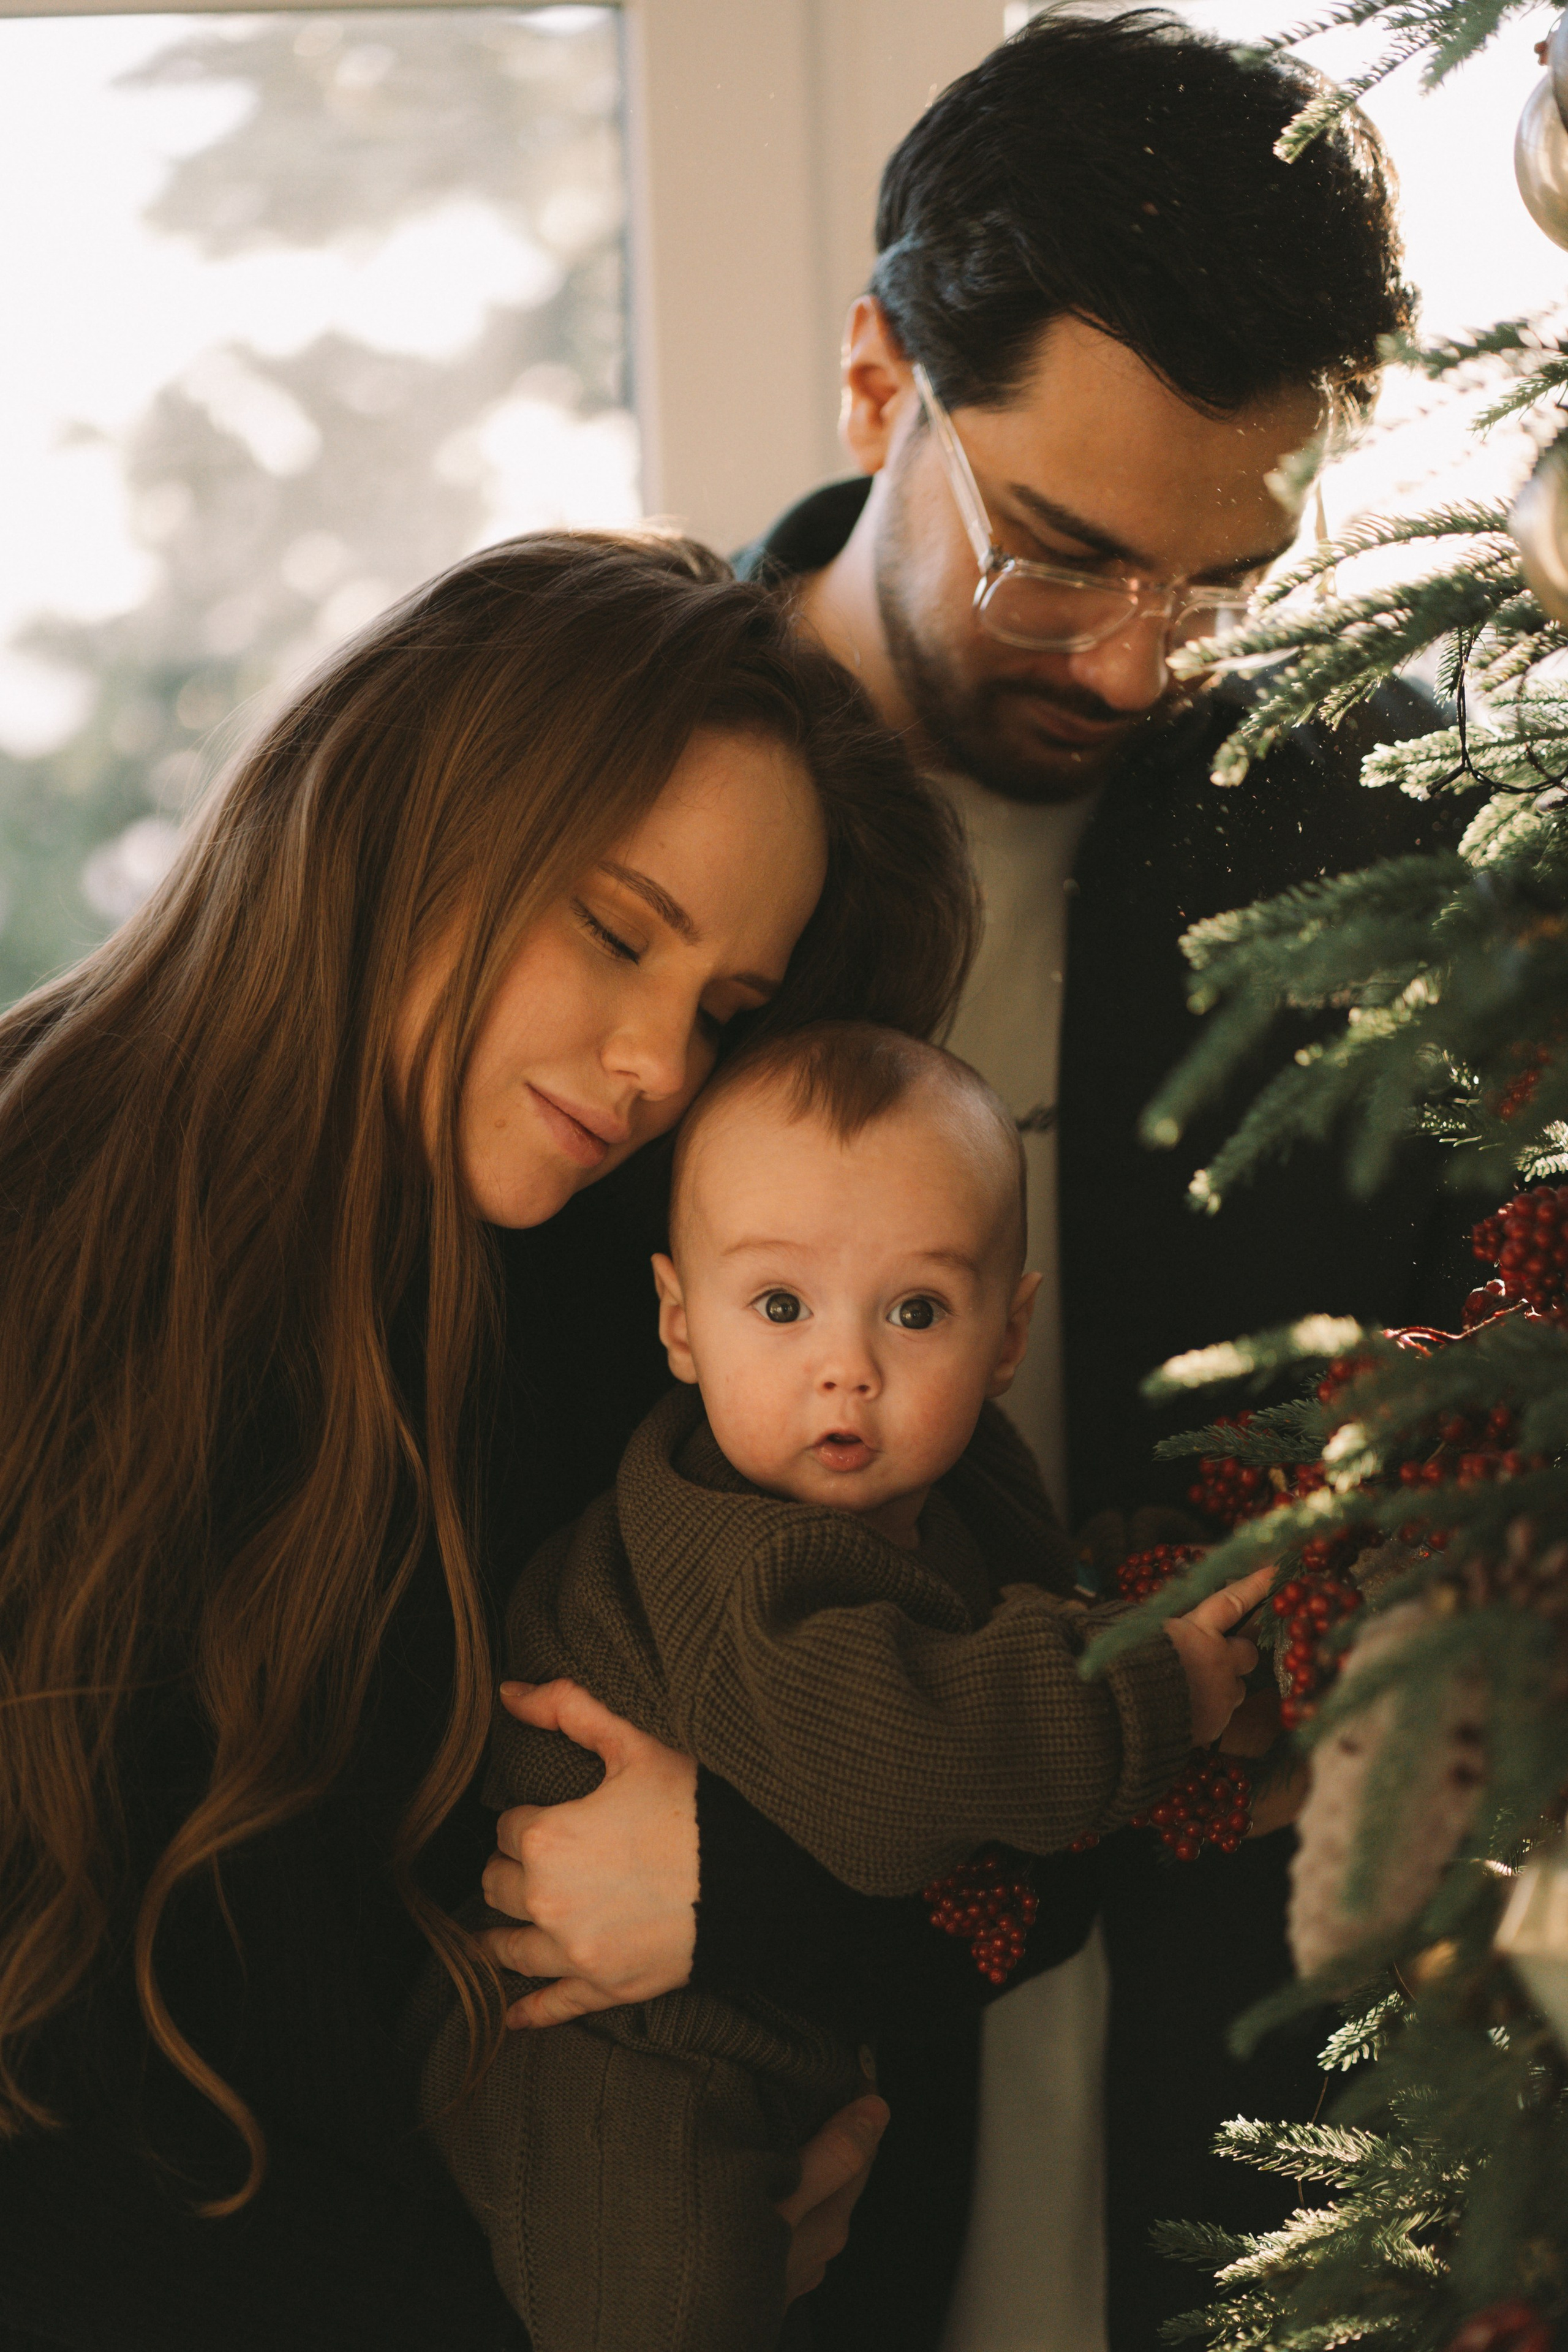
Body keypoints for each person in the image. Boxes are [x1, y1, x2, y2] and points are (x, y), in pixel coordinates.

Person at [703, 13, 1471, 2348]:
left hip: (1260, 2132)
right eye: (1059, 558)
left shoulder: (1401, 862)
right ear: (874, 384)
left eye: (1226, 575)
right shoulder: (606, 829)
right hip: (732, 2131)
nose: (1144, 665)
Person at [0, 529, 978, 2350]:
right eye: (616, 934)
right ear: (407, 810)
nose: (658, 1068)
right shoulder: (39, 1244)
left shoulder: (649, 1317)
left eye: (724, 1014)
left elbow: (1025, 1793)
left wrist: (740, 1920)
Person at [417, 1019, 1273, 2351]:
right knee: (677, 2302)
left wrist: (1142, 1594)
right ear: (678, 1322)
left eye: (914, 1311)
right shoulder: (744, 1555)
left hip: (762, 2020)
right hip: (610, 2056)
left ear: (1006, 1335)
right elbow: (904, 1778)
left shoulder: (947, 1481)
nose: (846, 1366)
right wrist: (1149, 1692)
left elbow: (1016, 1618)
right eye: (778, 1306)